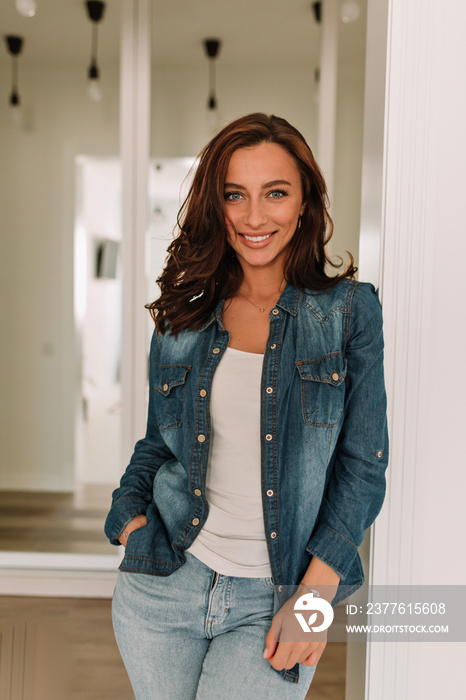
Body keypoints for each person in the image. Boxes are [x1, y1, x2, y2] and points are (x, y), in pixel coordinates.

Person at [104, 112, 388, 699]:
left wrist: (316, 599)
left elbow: (363, 465)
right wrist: (130, 520)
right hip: (165, 586)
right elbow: (160, 443)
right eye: (236, 195)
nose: (255, 217)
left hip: (280, 595)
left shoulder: (348, 314)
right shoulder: (182, 317)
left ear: (305, 202)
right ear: (217, 205)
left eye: (275, 193)